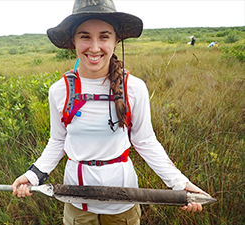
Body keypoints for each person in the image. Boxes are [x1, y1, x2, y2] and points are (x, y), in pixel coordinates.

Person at [12, 0, 210, 224]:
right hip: (76, 200)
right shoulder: (59, 91)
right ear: (73, 41)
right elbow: (58, 141)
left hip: (123, 201)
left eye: (104, 36)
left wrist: (180, 184)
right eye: (85, 36)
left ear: (117, 40)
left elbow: (145, 141)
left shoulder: (134, 88)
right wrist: (32, 176)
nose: (94, 47)